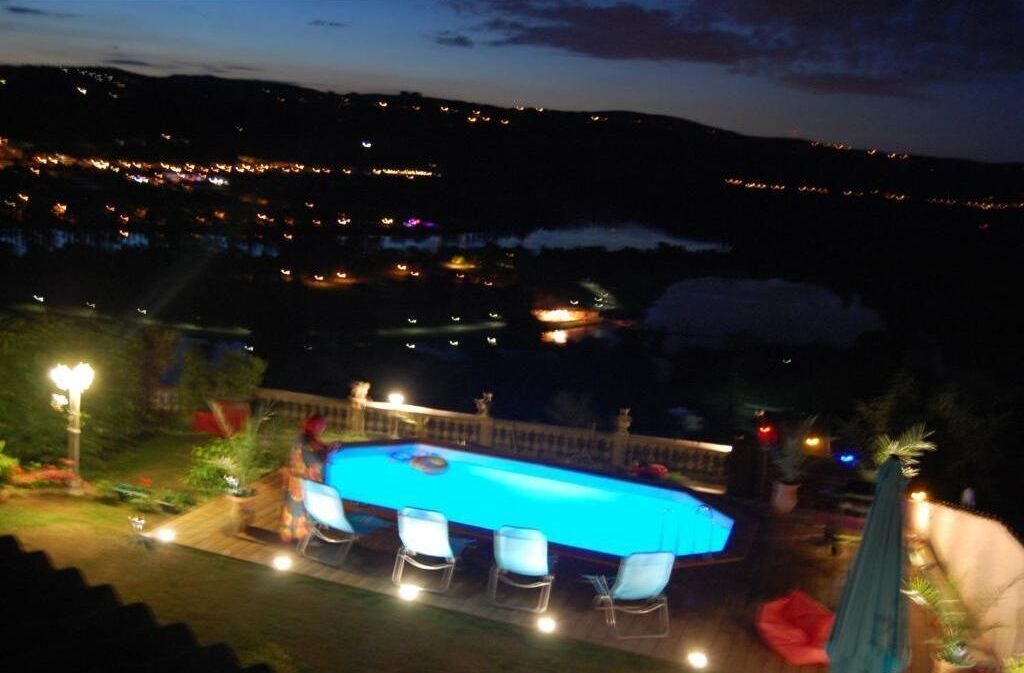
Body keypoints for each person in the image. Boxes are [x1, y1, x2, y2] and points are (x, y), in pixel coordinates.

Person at [279, 414, 335, 544]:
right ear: (316, 427)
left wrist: (328, 448)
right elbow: (317, 459)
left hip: (295, 481)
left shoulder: (303, 437)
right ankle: (305, 539)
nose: (323, 429)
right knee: (303, 511)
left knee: (294, 510)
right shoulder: (308, 443)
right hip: (303, 484)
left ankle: (290, 535)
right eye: (321, 426)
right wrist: (329, 453)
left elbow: (318, 448)